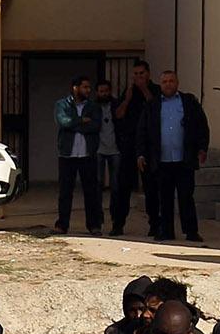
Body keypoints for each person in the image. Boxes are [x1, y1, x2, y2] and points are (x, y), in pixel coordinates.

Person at [135, 71, 210, 243]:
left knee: (186, 197)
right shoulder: (152, 105)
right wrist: (141, 153)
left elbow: (202, 126)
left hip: (184, 159)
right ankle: (166, 230)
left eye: (171, 81)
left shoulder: (189, 102)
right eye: (164, 81)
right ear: (160, 84)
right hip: (161, 160)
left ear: (177, 83)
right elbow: (142, 131)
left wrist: (202, 148)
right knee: (164, 198)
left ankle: (191, 231)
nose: (168, 84)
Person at [109, 60, 156, 235]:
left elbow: (156, 109)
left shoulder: (155, 91)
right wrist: (128, 99)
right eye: (135, 74)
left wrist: (144, 90)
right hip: (128, 145)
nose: (138, 77)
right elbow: (118, 114)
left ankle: (154, 224)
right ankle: (118, 223)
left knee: (151, 187)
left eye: (141, 73)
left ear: (148, 74)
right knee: (123, 187)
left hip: (148, 146)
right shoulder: (128, 92)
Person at [53, 75, 102, 234]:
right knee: (65, 192)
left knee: (91, 192)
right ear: (75, 88)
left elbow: (95, 126)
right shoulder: (62, 104)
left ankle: (94, 225)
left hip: (87, 155)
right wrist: (81, 121)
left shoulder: (94, 107)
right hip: (67, 155)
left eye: (89, 87)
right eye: (85, 87)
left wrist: (74, 124)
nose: (88, 90)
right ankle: (62, 225)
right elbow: (63, 122)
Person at [93, 79, 122, 206]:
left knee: (115, 184)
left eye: (106, 91)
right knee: (98, 182)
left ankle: (114, 212)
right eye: (101, 91)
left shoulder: (117, 104)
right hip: (98, 148)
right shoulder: (93, 106)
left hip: (115, 148)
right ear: (97, 92)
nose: (104, 94)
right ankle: (98, 215)